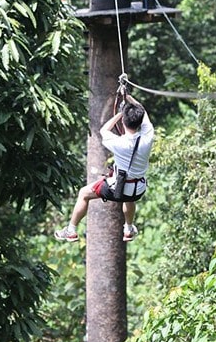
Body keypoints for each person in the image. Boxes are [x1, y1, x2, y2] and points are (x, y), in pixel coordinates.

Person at [55, 93, 154, 242]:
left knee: (84, 193)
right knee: (129, 198)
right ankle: (128, 228)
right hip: (138, 189)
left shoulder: (118, 143)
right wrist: (128, 97)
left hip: (116, 189)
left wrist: (120, 113)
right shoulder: (148, 137)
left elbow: (104, 130)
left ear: (124, 121)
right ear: (139, 121)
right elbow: (142, 111)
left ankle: (71, 230)